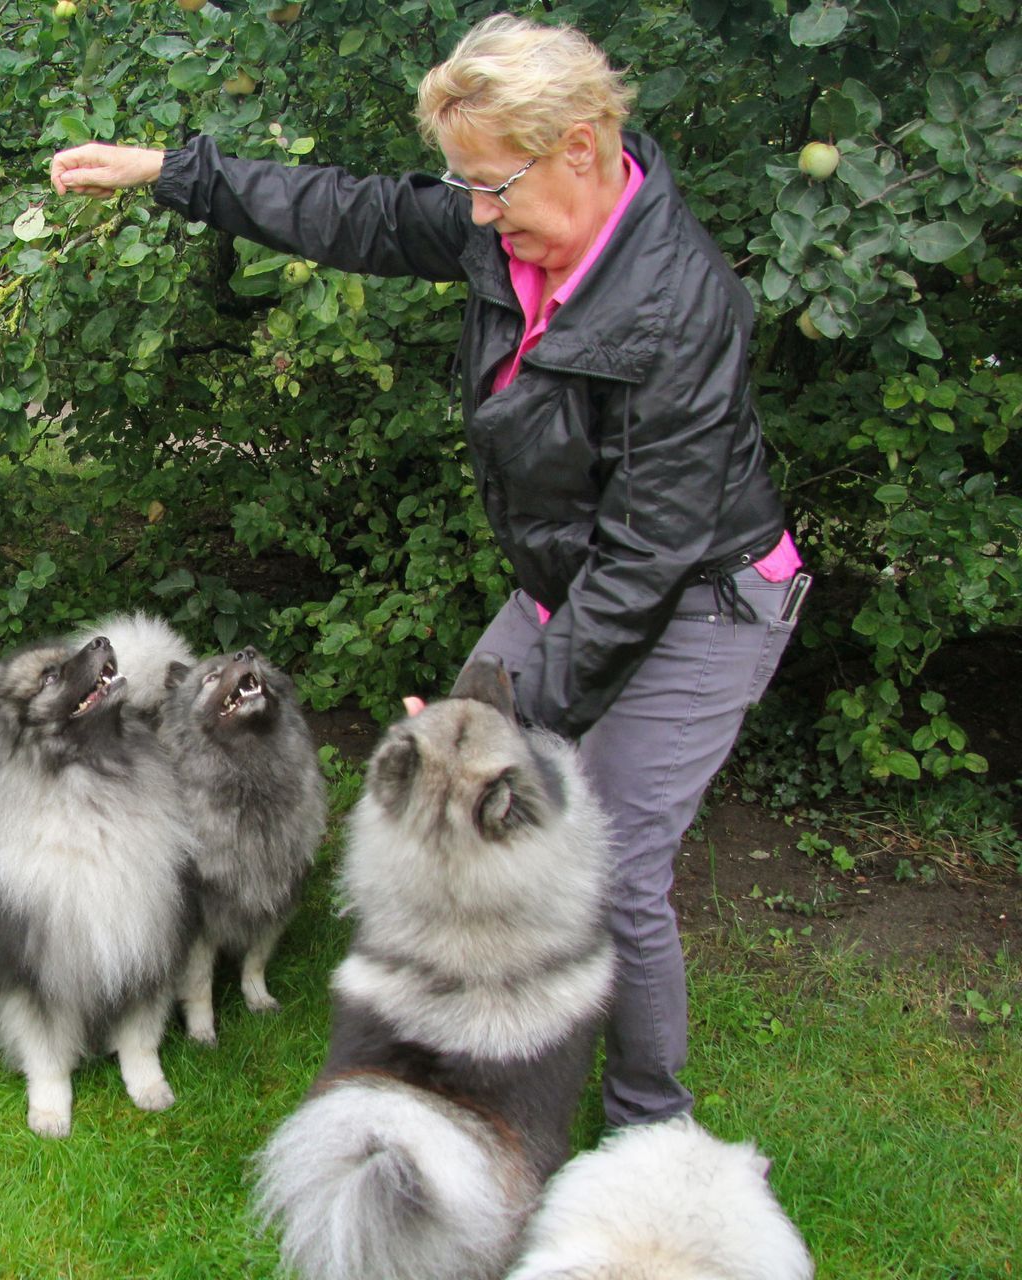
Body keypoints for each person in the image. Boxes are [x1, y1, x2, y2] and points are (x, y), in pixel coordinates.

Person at [48, 13, 808, 1128]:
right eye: (469, 189)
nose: (479, 214)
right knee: (442, 812)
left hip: (703, 598)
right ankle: (461, 1051)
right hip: (570, 584)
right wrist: (175, 172)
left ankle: (651, 1123)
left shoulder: (680, 303)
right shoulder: (510, 220)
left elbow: (647, 556)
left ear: (582, 147)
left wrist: (508, 724)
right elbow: (352, 211)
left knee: (610, 862)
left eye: (494, 187)